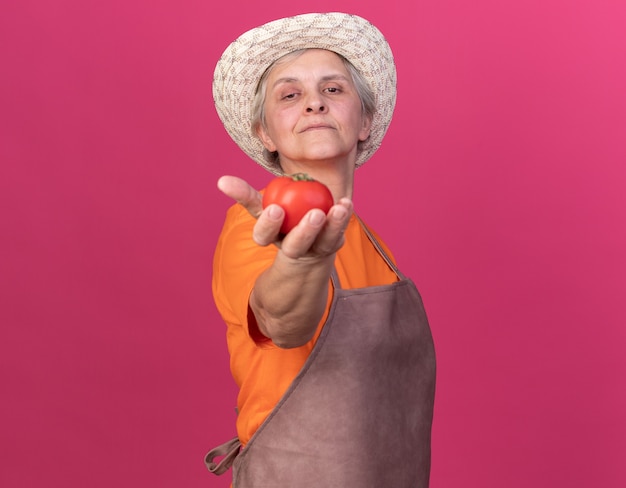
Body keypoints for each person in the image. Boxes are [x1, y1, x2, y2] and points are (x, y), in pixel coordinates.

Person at [205, 12, 436, 487]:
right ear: (266, 134)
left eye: (333, 90)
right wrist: (303, 267)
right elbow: (280, 322)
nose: (313, 104)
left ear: (365, 120)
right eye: (289, 95)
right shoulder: (254, 225)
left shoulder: (373, 244)